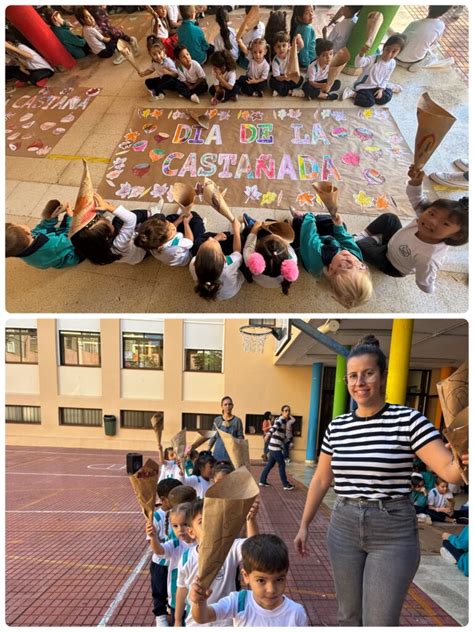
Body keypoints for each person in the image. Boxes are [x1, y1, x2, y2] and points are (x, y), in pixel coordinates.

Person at [294, 334, 467, 626]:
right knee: (348, 617)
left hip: (393, 530)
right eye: (353, 376)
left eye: (368, 374)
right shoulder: (337, 427)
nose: (359, 382)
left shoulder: (408, 420)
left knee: (379, 622)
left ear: (383, 376)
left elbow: (449, 470)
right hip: (344, 525)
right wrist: (304, 525)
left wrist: (464, 461)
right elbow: (322, 479)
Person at [355, 164, 469, 294]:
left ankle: (372, 239)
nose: (431, 221)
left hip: (392, 264)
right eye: (432, 213)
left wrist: (431, 288)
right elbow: (416, 198)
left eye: (445, 224)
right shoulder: (424, 217)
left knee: (360, 245)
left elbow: (425, 284)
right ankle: (367, 236)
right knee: (390, 218)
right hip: (393, 241)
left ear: (456, 236)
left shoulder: (429, 258)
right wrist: (416, 182)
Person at [190, 534, 309, 625]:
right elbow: (202, 617)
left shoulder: (296, 613)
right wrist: (199, 601)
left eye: (279, 580)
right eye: (261, 580)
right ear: (246, 576)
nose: (271, 590)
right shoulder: (238, 602)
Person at [175, 497, 259, 626]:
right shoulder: (186, 558)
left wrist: (250, 519)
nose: (210, 525)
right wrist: (177, 620)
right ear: (191, 532)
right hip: (195, 622)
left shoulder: (229, 548)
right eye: (202, 521)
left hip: (226, 621)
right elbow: (181, 590)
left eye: (214, 520)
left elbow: (254, 548)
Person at [291, 211, 373, 309]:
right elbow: (346, 239)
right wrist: (338, 226)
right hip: (328, 242)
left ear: (330, 269)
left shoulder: (316, 256)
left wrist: (309, 215)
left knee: (299, 222)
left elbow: (309, 235)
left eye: (345, 265)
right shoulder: (355, 256)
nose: (351, 258)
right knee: (337, 224)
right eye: (361, 266)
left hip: (310, 247)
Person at [146, 502, 196, 625]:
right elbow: (159, 551)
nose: (180, 530)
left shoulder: (202, 544)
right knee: (177, 622)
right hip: (176, 599)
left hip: (195, 598)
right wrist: (153, 537)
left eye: (185, 524)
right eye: (175, 526)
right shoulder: (174, 544)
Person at [70, 193, 150, 266]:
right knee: (156, 219)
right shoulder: (119, 244)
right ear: (107, 235)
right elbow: (131, 218)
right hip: (142, 252)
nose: (108, 219)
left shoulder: (91, 249)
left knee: (118, 220)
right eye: (107, 221)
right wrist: (108, 207)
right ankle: (151, 214)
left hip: (130, 254)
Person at [6, 200, 82, 269]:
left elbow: (42, 228)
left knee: (69, 219)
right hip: (71, 253)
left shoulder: (22, 247)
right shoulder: (52, 246)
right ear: (26, 232)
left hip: (57, 244)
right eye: (17, 224)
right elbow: (72, 238)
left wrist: (50, 219)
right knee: (80, 226)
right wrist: (71, 218)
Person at [149, 478, 183, 626]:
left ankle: (172, 610)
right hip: (160, 563)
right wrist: (154, 536)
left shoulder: (181, 514)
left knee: (173, 588)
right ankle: (160, 616)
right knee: (159, 589)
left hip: (175, 561)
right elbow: (152, 543)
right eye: (175, 497)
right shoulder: (156, 517)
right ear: (163, 499)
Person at [342, 34, 407, 106]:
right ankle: (352, 93)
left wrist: (381, 89)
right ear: (384, 47)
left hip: (377, 86)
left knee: (386, 97)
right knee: (369, 102)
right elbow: (358, 64)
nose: (389, 54)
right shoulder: (373, 59)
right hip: (364, 86)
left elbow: (386, 77)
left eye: (394, 52)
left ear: (398, 53)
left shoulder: (392, 63)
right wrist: (361, 53)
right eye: (387, 49)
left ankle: (388, 86)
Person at [189, 219, 244, 301]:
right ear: (224, 258)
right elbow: (237, 252)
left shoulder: (193, 263)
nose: (210, 238)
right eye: (214, 242)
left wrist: (216, 239)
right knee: (241, 239)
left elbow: (209, 241)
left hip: (223, 289)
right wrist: (236, 229)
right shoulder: (230, 264)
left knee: (198, 241)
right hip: (230, 292)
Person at [243, 219, 299, 296]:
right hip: (271, 284)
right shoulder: (293, 259)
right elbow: (288, 244)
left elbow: (250, 241)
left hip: (260, 281)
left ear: (257, 257)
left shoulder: (250, 258)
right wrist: (281, 234)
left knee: (251, 230)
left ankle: (250, 224)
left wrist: (256, 227)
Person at [134, 209, 205, 266]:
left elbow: (168, 231)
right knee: (195, 220)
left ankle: (178, 222)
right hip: (187, 254)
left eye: (168, 223)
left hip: (172, 250)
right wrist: (186, 223)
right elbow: (190, 241)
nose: (172, 225)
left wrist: (179, 220)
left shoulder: (151, 243)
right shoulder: (175, 245)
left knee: (171, 217)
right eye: (172, 229)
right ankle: (200, 224)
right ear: (166, 238)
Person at [396, 6, 454, 71]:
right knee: (431, 55)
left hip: (397, 56)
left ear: (429, 7)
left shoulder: (414, 24)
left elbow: (401, 40)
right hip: (414, 61)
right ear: (443, 13)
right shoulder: (441, 26)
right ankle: (415, 65)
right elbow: (433, 43)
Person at [259, 412, 294, 491]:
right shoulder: (280, 420)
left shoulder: (284, 422)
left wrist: (289, 443)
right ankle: (285, 484)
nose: (287, 412)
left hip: (273, 447)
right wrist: (268, 434)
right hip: (275, 448)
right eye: (285, 410)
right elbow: (274, 427)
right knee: (282, 464)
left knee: (270, 464)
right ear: (281, 412)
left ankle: (262, 481)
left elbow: (283, 436)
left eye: (289, 410)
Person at [208, 396, 244, 462]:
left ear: (232, 406)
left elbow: (240, 437)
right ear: (222, 406)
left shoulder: (237, 421)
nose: (228, 406)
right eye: (225, 404)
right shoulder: (217, 420)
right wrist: (208, 449)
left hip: (231, 454)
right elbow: (213, 436)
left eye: (229, 404)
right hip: (218, 452)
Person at [269, 31, 304, 97]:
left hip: (290, 75)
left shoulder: (291, 51)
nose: (281, 49)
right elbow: (277, 77)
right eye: (278, 47)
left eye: (284, 45)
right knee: (272, 82)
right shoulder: (275, 61)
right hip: (281, 77)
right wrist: (284, 78)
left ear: (289, 46)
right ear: (274, 49)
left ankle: (282, 91)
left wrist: (299, 38)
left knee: (300, 79)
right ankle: (291, 92)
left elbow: (301, 46)